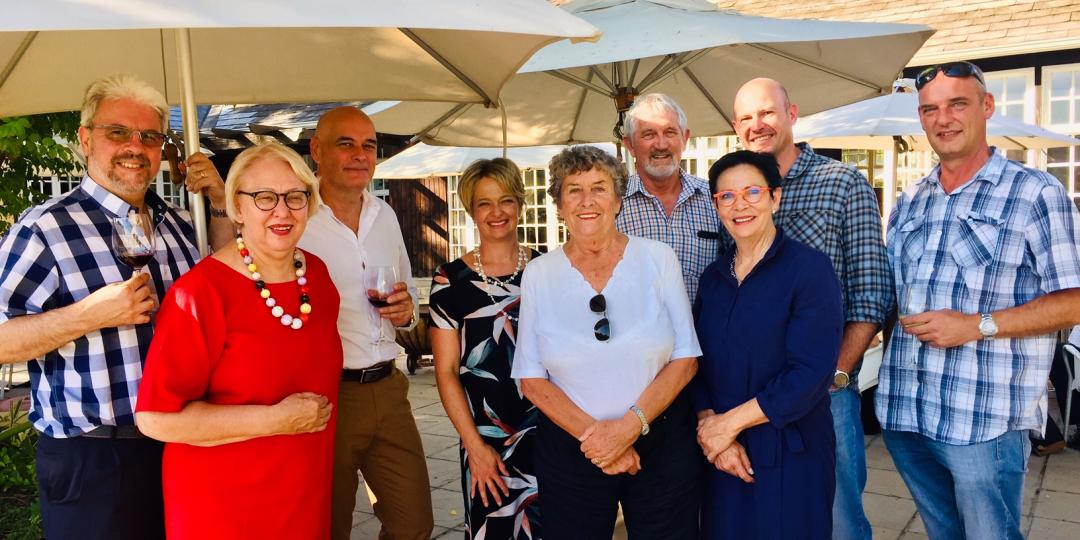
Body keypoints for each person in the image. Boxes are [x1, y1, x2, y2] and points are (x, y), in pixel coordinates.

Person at [0, 73, 230, 540]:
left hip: (182, 442)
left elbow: (224, 285)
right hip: (96, 458)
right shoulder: (45, 228)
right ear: (86, 139)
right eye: (118, 132)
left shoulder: (180, 224)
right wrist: (90, 316)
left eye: (149, 135)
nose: (135, 145)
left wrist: (222, 204)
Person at [879, 61, 1080, 539]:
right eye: (929, 109)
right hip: (906, 412)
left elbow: (1073, 300)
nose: (942, 118)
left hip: (983, 421)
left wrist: (976, 324)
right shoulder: (911, 200)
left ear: (987, 107)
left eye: (957, 104)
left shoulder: (1034, 192)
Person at [135, 142, 342, 539]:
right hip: (222, 507)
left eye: (295, 196)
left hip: (302, 496)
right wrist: (276, 420)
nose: (282, 211)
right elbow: (155, 418)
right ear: (237, 208)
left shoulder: (317, 276)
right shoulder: (199, 294)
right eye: (264, 197)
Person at [512, 145, 702, 539]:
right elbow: (531, 378)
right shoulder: (538, 274)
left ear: (618, 200)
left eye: (599, 188)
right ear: (559, 205)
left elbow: (686, 358)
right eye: (573, 190)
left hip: (661, 441)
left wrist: (628, 429)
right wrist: (602, 442)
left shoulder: (658, 258)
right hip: (572, 445)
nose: (587, 201)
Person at [731, 77, 892, 540]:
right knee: (762, 515)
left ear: (792, 114)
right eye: (745, 117)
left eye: (766, 113)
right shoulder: (733, 195)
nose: (756, 125)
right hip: (748, 395)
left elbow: (871, 290)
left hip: (824, 393)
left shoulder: (840, 183)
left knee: (836, 519)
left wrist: (837, 374)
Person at [299, 106, 434, 540]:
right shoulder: (295, 220)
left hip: (389, 388)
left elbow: (407, 291)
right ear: (316, 150)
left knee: (412, 524)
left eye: (369, 146)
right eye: (346, 144)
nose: (360, 155)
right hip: (327, 394)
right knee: (328, 526)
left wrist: (406, 310)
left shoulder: (386, 214)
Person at [694, 150, 843, 538]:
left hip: (792, 453)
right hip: (724, 455)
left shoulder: (809, 270)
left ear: (775, 197)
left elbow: (810, 373)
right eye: (726, 196)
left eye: (752, 192)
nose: (739, 205)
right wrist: (711, 427)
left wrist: (727, 425)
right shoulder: (713, 279)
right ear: (716, 205)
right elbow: (696, 363)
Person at [429, 158, 542, 539]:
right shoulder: (449, 282)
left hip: (549, 431)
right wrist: (474, 447)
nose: (497, 212)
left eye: (506, 200)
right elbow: (445, 373)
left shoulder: (549, 270)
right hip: (485, 439)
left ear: (521, 205)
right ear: (471, 210)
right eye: (484, 203)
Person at [616, 93, 719, 302]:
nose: (661, 144)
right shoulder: (611, 206)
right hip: (636, 334)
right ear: (629, 145)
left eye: (670, 132)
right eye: (648, 134)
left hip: (704, 334)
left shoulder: (716, 199)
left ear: (685, 138)